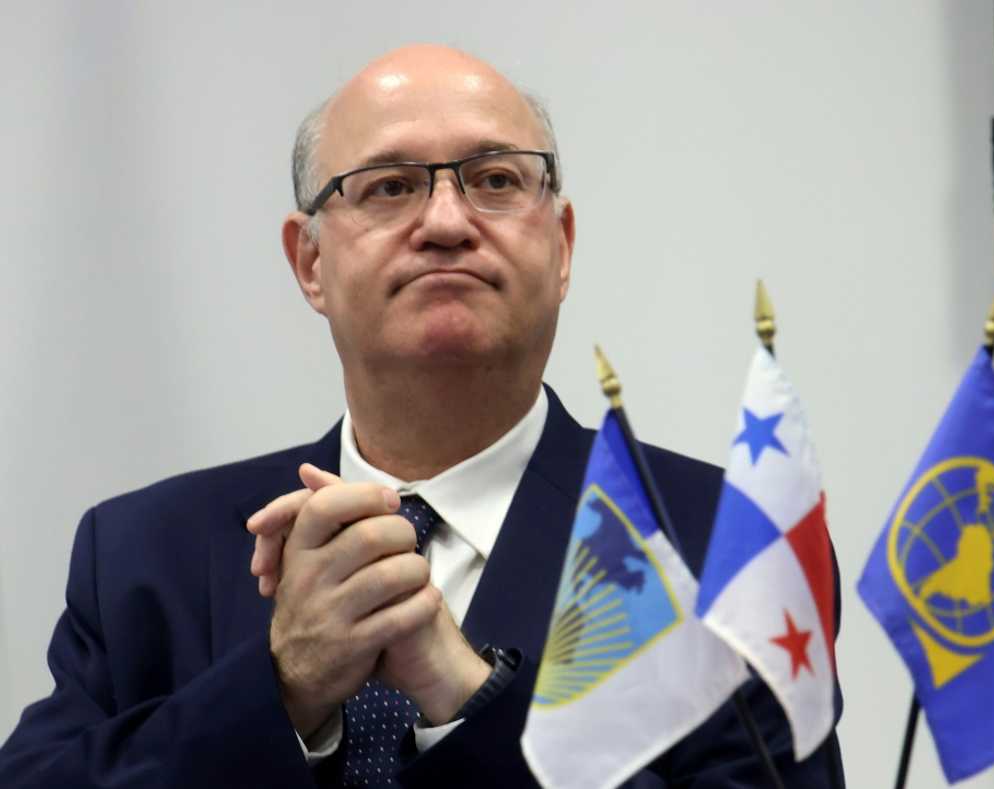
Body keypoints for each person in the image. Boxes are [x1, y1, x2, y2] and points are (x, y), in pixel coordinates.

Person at [0, 45, 844, 787]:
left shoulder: (728, 544)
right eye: (391, 186)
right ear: (311, 262)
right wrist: (280, 687)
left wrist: (468, 695)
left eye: (496, 180)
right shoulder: (147, 556)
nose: (445, 222)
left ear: (563, 247)